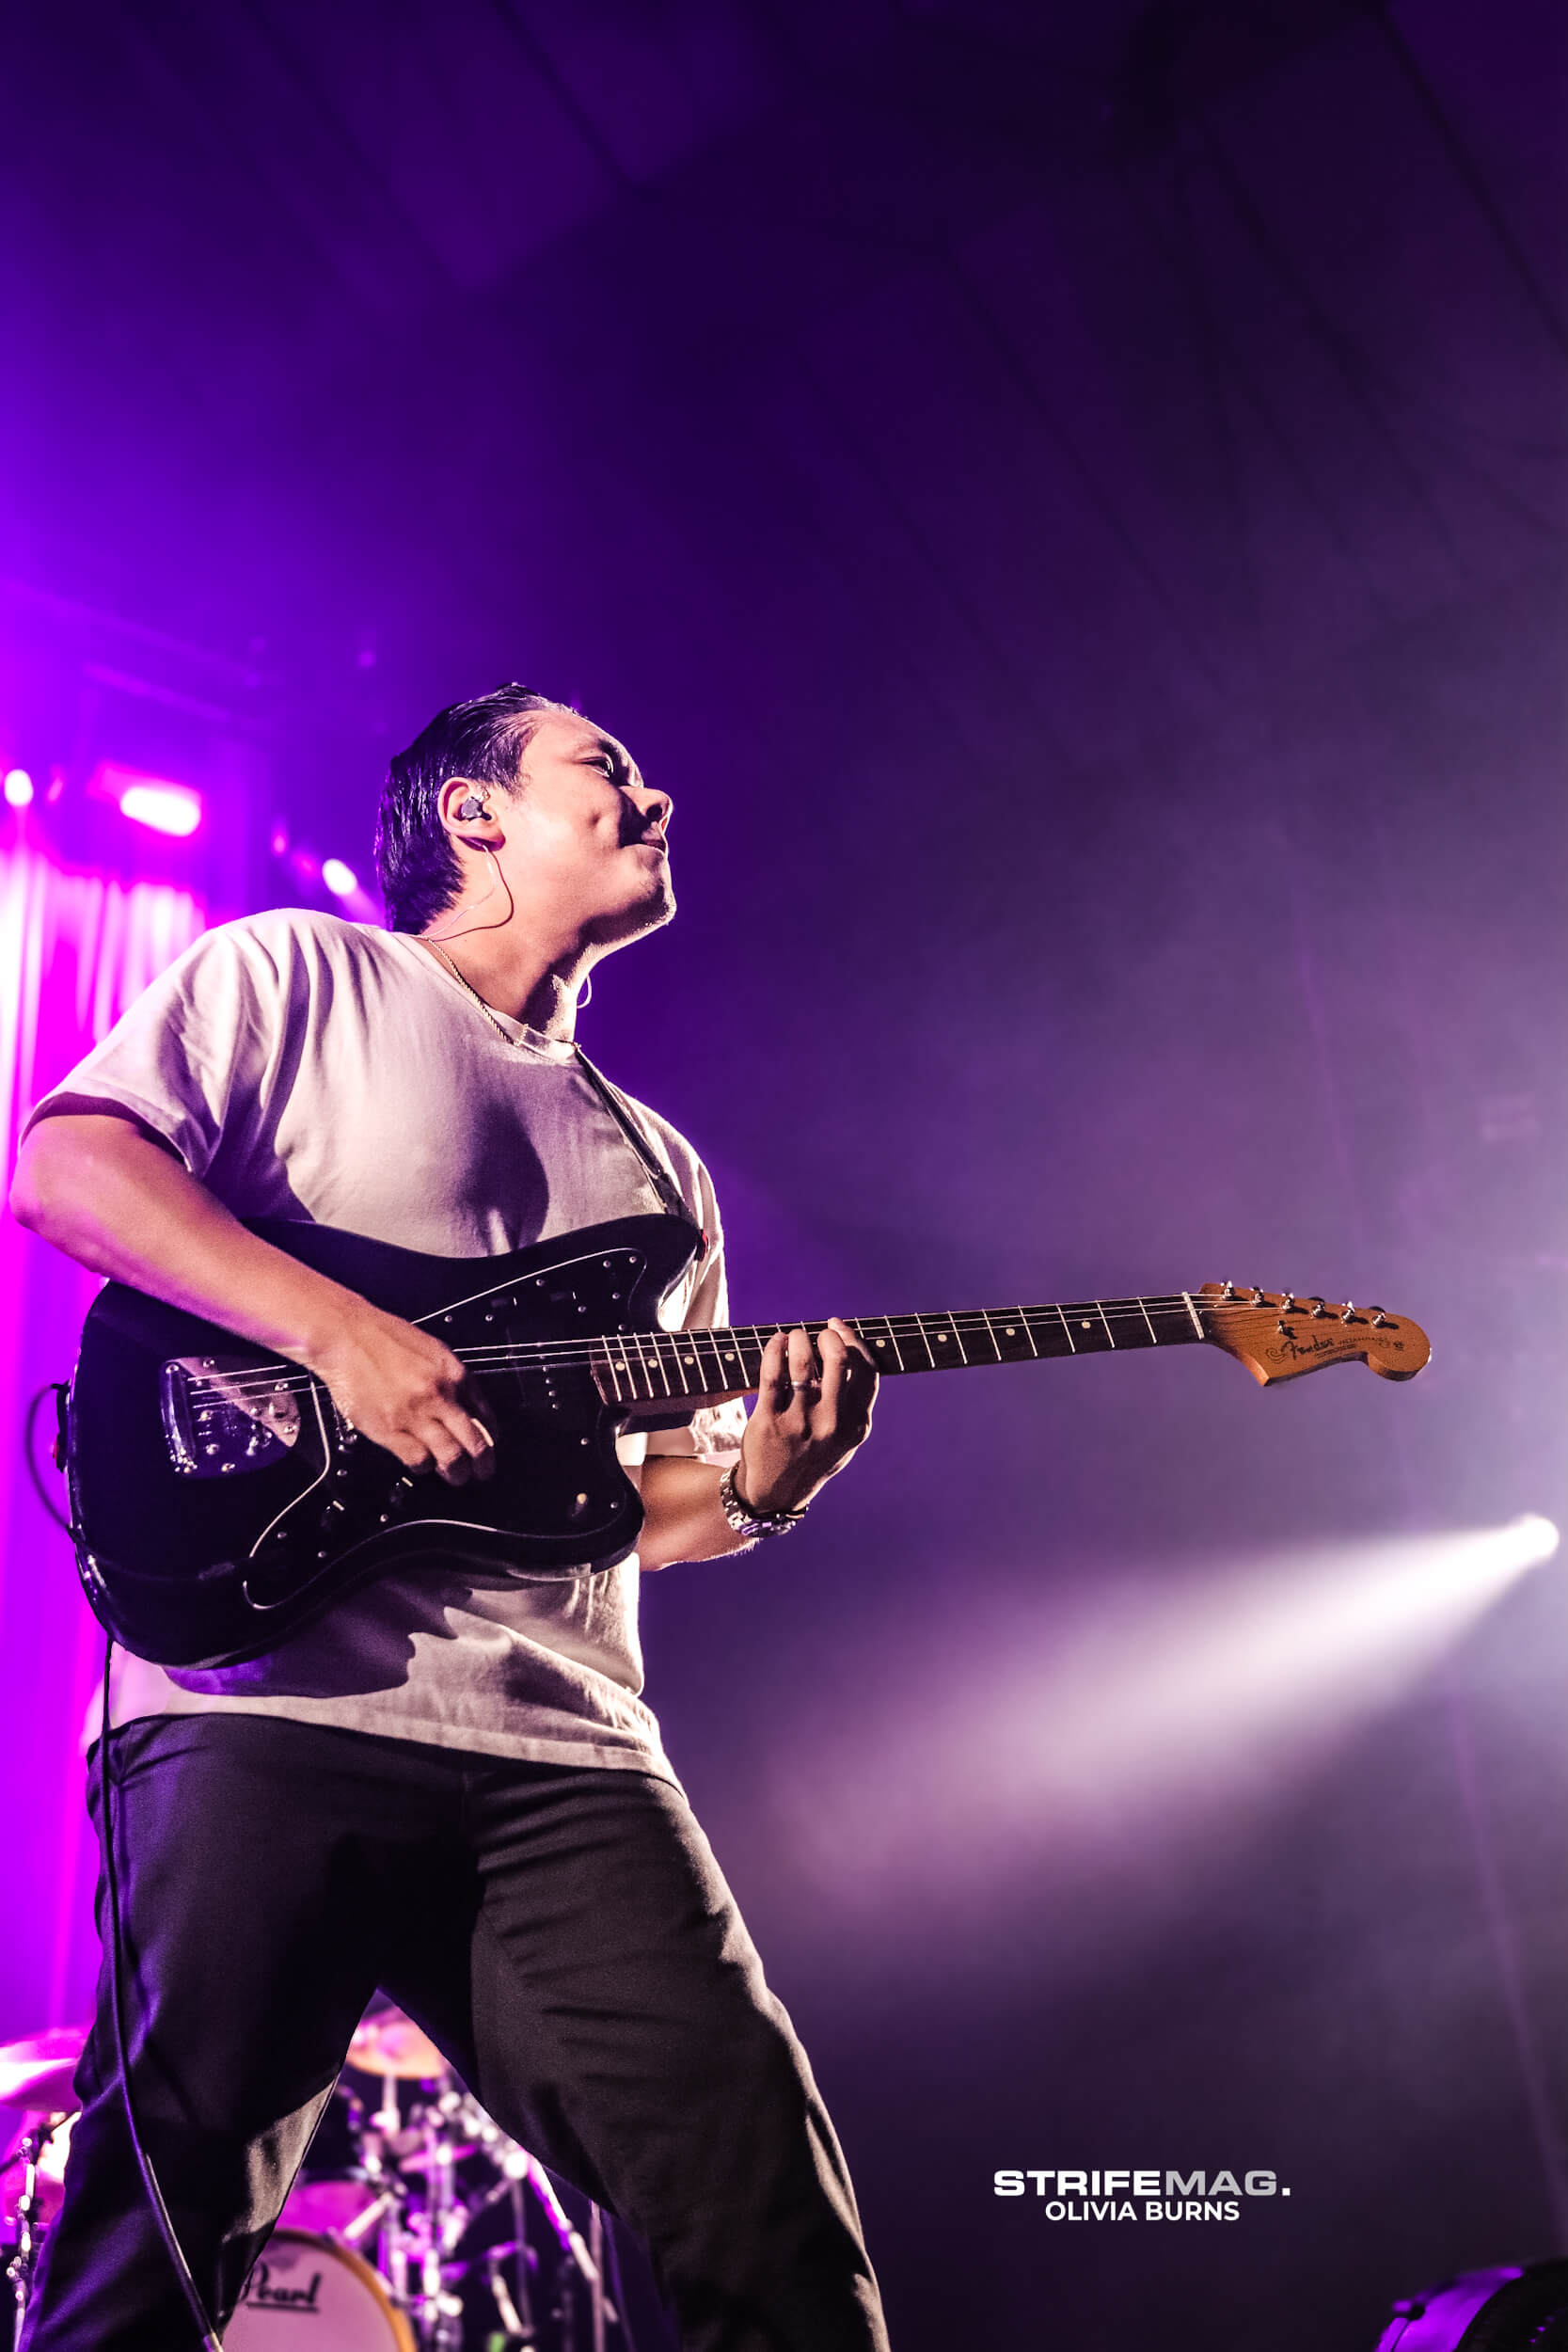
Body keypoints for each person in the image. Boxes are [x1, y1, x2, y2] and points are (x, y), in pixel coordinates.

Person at [9, 684, 888, 2351]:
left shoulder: (663, 1173)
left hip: (568, 1754)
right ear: (475, 815)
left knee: (768, 2218)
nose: (655, 799)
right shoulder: (299, 975)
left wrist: (760, 1493)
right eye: (605, 770)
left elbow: (633, 1509)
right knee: (156, 2252)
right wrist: (337, 1334)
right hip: (264, 1708)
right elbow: (68, 1171)